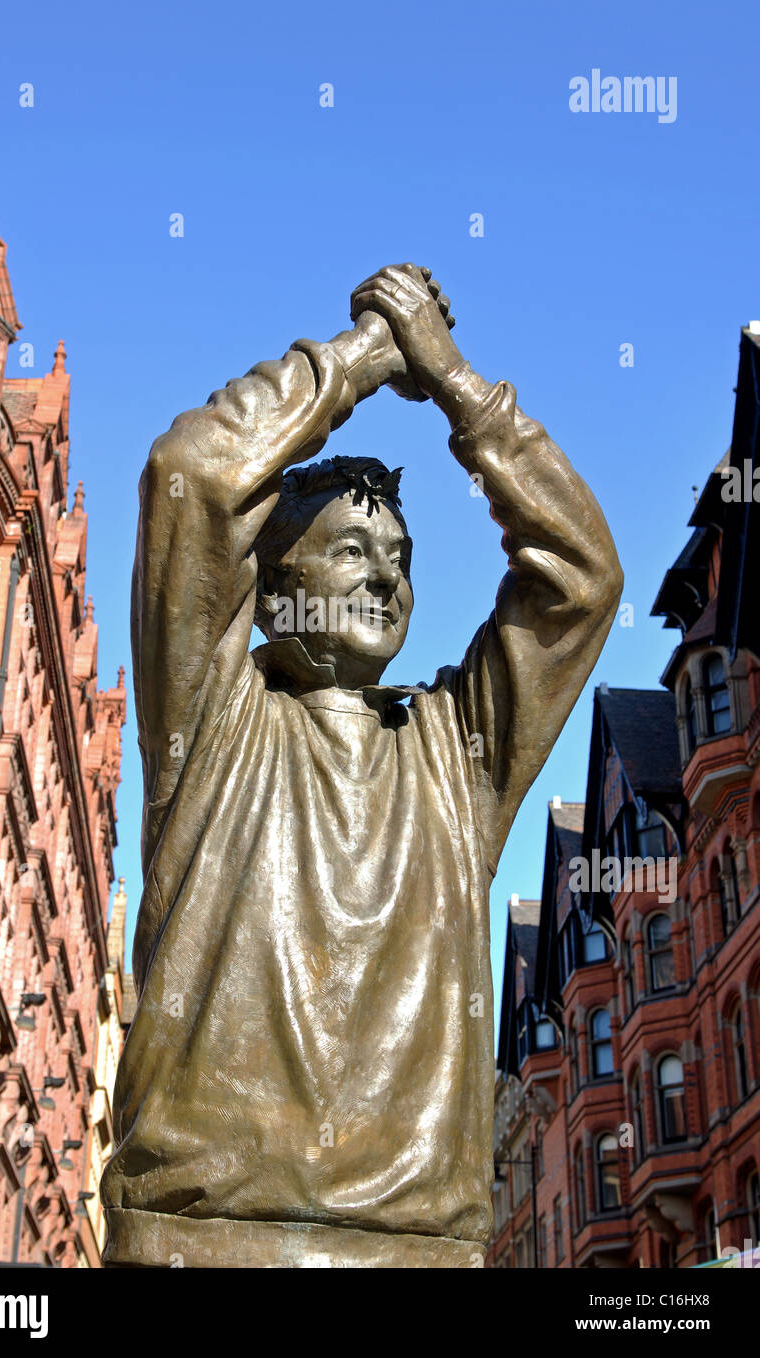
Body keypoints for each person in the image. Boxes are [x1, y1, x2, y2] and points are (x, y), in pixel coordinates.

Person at [101, 264, 622, 1267]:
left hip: (417, 1253)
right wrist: (360, 362)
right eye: (349, 548)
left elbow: (579, 577)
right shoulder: (208, 721)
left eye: (400, 556)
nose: (384, 574)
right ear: (272, 580)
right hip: (199, 1247)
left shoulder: (455, 752)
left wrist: (455, 384)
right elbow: (192, 475)